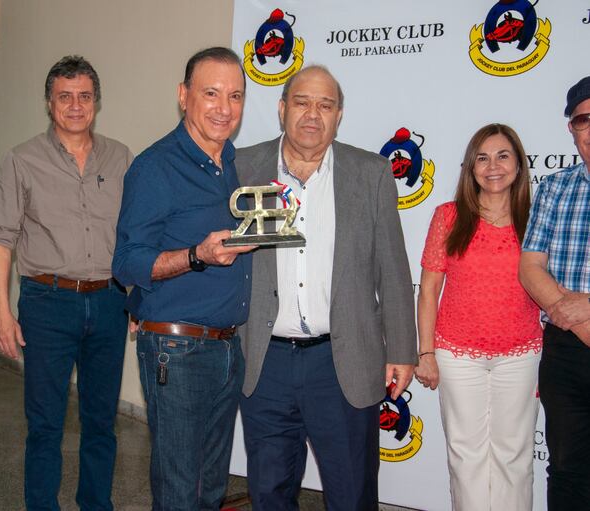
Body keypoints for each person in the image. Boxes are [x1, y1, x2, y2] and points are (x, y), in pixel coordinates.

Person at [236, 65, 417, 511]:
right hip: (265, 362)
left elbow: (392, 269)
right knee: (268, 492)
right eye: (301, 102)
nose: (312, 114)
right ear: (282, 110)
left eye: (325, 105)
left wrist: (402, 350)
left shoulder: (370, 172)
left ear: (339, 116)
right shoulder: (243, 166)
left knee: (351, 493)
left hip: (343, 363)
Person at [0, 55, 133, 511]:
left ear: (96, 102)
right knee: (46, 424)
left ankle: (96, 504)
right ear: (49, 103)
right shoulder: (22, 160)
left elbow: (135, 236)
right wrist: (2, 311)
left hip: (110, 303)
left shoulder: (121, 157)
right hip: (47, 303)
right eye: (64, 97)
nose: (75, 106)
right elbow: (1, 239)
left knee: (101, 423)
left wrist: (138, 298)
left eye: (84, 97)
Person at [112, 47, 254, 510]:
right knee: (179, 492)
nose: (224, 107)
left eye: (234, 95)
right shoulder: (156, 167)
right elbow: (129, 263)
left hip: (228, 346)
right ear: (183, 96)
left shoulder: (236, 166)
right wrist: (197, 255)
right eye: (211, 93)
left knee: (209, 490)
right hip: (178, 351)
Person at [414, 123, 542, 510]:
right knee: (465, 456)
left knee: (514, 457)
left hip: (521, 355)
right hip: (456, 355)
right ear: (470, 168)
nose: (492, 167)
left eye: (502, 156)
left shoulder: (536, 218)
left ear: (519, 165)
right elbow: (429, 291)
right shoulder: (448, 217)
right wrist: (426, 353)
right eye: (482, 158)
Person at [519, 76, 590, 509]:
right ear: (572, 129)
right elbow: (531, 268)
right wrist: (580, 321)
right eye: (585, 120)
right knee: (566, 466)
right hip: (565, 353)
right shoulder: (554, 188)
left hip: (572, 326)